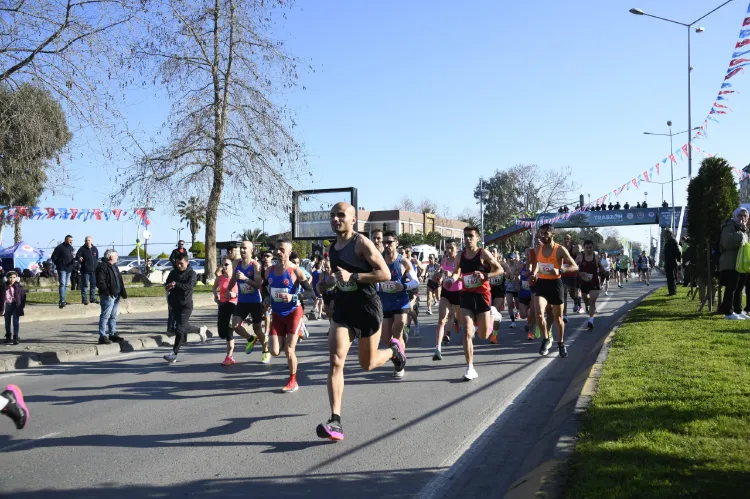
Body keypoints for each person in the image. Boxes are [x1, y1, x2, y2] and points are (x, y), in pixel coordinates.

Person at [315, 202, 405, 442]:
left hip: (367, 309)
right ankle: (335, 420)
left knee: (367, 364)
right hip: (344, 308)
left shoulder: (361, 244)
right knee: (335, 360)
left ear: (353, 220)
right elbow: (339, 279)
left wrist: (353, 276)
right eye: (332, 216)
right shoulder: (333, 249)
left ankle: (394, 351)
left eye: (341, 215)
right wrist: (326, 284)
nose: (335, 219)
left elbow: (384, 274)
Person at [451, 226, 503, 380]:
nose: (467, 239)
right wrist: (450, 280)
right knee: (467, 331)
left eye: (471, 236)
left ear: (477, 238)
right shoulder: (460, 255)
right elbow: (456, 272)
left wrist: (485, 275)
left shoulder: (483, 253)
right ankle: (470, 368)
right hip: (466, 295)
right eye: (465, 235)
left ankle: (493, 316)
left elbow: (499, 270)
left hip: (482, 296)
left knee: (483, 335)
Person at [268, 239, 315, 392]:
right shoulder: (269, 270)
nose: (278, 252)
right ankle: (293, 334)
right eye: (277, 249)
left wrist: (293, 297)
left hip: (293, 312)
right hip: (277, 314)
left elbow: (310, 292)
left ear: (289, 252)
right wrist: (265, 298)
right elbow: (263, 288)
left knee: (289, 350)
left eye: (282, 249)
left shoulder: (296, 271)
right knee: (274, 351)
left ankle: (293, 380)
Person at [532, 224, 577, 358]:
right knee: (539, 313)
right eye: (541, 233)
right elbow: (537, 265)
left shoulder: (560, 250)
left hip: (556, 284)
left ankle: (561, 343)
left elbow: (574, 266)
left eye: (545, 233)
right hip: (542, 284)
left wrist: (560, 270)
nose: (542, 236)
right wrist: (533, 273)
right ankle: (546, 338)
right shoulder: (537, 249)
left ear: (553, 234)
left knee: (558, 318)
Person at [378, 232, 417, 378]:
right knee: (387, 339)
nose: (387, 245)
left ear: (396, 243)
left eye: (390, 242)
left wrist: (403, 286)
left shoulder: (403, 261)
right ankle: (398, 355)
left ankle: (399, 366)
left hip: (401, 301)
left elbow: (415, 281)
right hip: (385, 302)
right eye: (385, 242)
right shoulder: (379, 260)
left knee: (398, 331)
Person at [226, 241, 268, 362]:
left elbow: (258, 284)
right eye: (241, 248)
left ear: (251, 250)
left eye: (245, 248)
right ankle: (250, 339)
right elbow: (233, 279)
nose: (242, 250)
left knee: (257, 328)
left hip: (255, 302)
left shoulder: (255, 265)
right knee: (235, 325)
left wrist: (245, 279)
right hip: (242, 301)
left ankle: (265, 350)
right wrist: (228, 290)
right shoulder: (236, 263)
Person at [163, 253, 197, 362]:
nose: (179, 266)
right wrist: (168, 286)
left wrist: (176, 284)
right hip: (175, 304)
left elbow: (188, 286)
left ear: (187, 263)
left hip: (186, 305)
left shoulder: (192, 274)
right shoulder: (173, 272)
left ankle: (173, 354)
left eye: (181, 263)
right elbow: (167, 284)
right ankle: (200, 330)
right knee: (183, 327)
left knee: (179, 329)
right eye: (177, 263)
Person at [433, 240, 462, 361]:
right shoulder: (444, 261)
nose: (449, 251)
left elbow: (462, 277)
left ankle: (453, 326)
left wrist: (452, 275)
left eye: (451, 248)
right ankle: (438, 349)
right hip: (446, 292)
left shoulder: (459, 261)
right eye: (447, 248)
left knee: (457, 318)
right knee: (441, 319)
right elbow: (437, 277)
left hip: (458, 292)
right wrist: (439, 276)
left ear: (457, 249)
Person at [718, 207, 749, 320]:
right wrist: (741, 232)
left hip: (741, 263)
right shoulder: (729, 226)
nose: (743, 218)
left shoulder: (744, 228)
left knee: (739, 287)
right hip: (730, 262)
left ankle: (738, 310)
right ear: (735, 216)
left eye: (745, 216)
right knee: (731, 287)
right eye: (740, 215)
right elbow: (727, 243)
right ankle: (728, 312)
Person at [95, 249, 128, 345]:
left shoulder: (114, 266)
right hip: (108, 295)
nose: (117, 257)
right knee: (105, 316)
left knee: (113, 316)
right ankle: (102, 336)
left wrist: (122, 291)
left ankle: (112, 333)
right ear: (110, 257)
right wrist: (107, 292)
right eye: (116, 255)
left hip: (116, 294)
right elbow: (100, 282)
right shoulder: (102, 267)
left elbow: (119, 280)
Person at [213, 257, 239, 365]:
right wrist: (216, 296)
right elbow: (214, 288)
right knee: (222, 332)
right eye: (223, 265)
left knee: (229, 330)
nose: (224, 267)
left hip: (234, 305)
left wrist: (235, 294)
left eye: (227, 264)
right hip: (223, 305)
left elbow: (245, 291)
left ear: (232, 266)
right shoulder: (220, 278)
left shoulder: (237, 278)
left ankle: (229, 356)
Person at [576, 240, 605, 330]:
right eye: (587, 247)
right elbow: (573, 267)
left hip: (594, 282)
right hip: (584, 282)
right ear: (584, 248)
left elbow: (602, 269)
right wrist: (579, 273)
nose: (588, 249)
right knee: (586, 301)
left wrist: (603, 273)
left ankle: (591, 320)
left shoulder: (596, 258)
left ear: (593, 248)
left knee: (592, 301)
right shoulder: (580, 257)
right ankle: (587, 306)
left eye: (590, 248)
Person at [51, 235, 76, 309]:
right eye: (69, 240)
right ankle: (61, 301)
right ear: (65, 240)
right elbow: (53, 257)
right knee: (62, 284)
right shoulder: (60, 247)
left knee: (65, 285)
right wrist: (59, 264)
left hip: (69, 269)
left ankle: (64, 299)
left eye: (72, 240)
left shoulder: (71, 248)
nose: (71, 241)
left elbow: (71, 257)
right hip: (62, 269)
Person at [1, 271, 26, 345]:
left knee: (15, 321)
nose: (12, 279)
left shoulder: (19, 286)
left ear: (17, 278)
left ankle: (16, 336)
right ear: (6, 278)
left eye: (14, 277)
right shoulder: (3, 287)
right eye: (10, 277)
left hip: (16, 305)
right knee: (7, 322)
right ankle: (8, 335)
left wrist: (21, 306)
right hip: (7, 305)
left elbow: (23, 296)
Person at [76, 236, 100, 305]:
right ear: (85, 241)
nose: (87, 241)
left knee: (93, 285)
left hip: (94, 271)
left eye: (89, 240)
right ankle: (84, 299)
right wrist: (79, 258)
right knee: (85, 285)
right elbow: (77, 256)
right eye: (86, 240)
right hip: (85, 271)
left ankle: (92, 298)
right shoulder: (82, 249)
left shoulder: (95, 248)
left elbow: (96, 258)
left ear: (91, 241)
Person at [663, 229, 682, 296]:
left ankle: (673, 291)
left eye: (665, 234)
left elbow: (678, 252)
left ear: (669, 234)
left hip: (672, 261)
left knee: (672, 277)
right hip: (668, 262)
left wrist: (678, 260)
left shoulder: (673, 241)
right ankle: (671, 290)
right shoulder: (668, 241)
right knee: (669, 277)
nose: (664, 236)